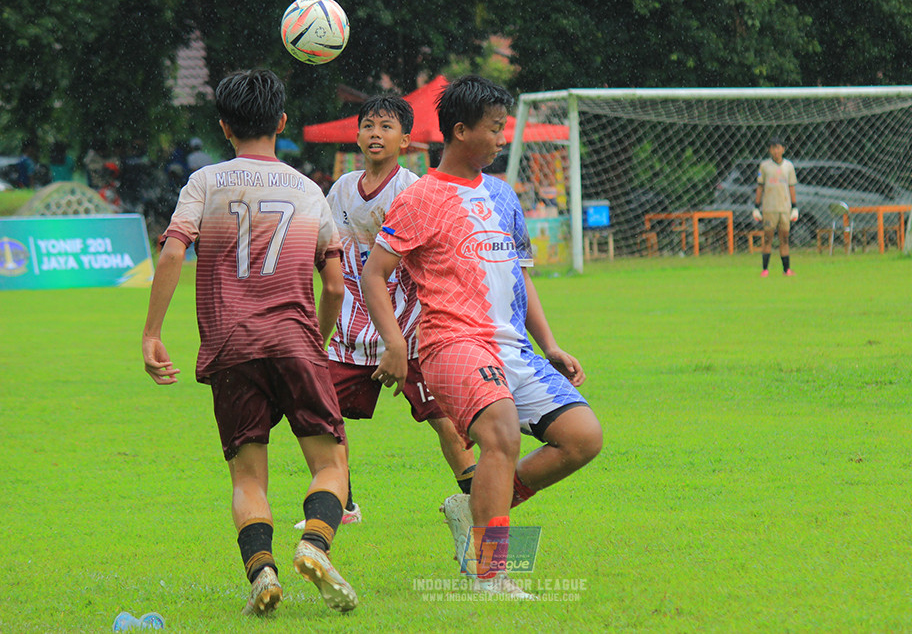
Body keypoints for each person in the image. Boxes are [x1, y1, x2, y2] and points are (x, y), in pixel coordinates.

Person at [360, 75, 603, 598]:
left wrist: (551, 345)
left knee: (583, 438)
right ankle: (492, 574)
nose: (500, 139)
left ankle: (472, 506)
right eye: (495, 129)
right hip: (452, 344)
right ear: (461, 131)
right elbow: (373, 273)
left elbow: (521, 276)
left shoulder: (502, 194)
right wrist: (396, 345)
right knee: (502, 435)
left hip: (513, 346)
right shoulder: (421, 196)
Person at [141, 68, 358, 616]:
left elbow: (172, 252)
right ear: (282, 122)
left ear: (223, 126)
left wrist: (152, 333)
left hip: (231, 346)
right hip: (294, 340)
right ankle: (313, 543)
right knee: (331, 464)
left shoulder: (207, 183)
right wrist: (320, 337)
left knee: (247, 474)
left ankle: (263, 573)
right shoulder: (309, 190)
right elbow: (334, 281)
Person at [321, 95, 477, 525]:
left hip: (410, 325)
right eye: (368, 125)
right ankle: (342, 504)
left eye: (386, 127)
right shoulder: (341, 190)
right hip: (354, 327)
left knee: (443, 420)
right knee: (322, 413)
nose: (375, 133)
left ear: (405, 139)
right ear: (357, 135)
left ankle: (482, 499)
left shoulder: (413, 189)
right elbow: (332, 249)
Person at [753, 136, 798, 277]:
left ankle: (787, 270)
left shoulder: (789, 166)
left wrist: (795, 207)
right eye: (773, 148)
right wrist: (756, 207)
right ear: (769, 150)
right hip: (769, 208)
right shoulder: (764, 166)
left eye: (778, 147)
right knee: (768, 238)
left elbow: (791, 187)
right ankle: (765, 269)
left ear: (783, 149)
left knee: (784, 238)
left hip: (784, 208)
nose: (776, 151)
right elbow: (760, 187)